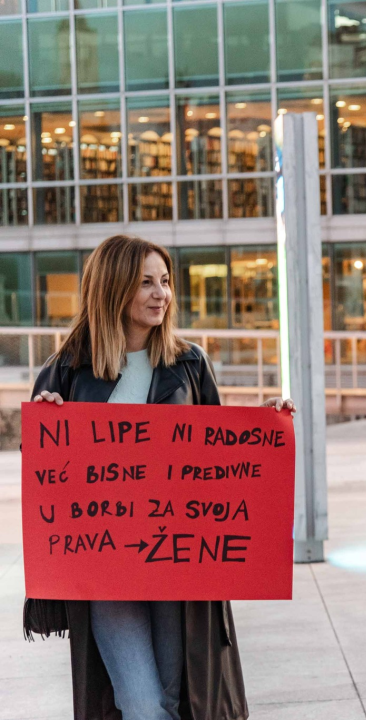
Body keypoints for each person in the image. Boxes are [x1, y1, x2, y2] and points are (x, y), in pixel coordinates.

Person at [26, 234, 294, 720]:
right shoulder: (66, 370)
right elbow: (45, 474)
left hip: (178, 566)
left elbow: (218, 455)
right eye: (145, 282)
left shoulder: (188, 363)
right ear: (113, 288)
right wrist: (43, 422)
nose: (161, 294)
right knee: (143, 704)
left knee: (177, 699)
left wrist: (267, 423)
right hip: (107, 569)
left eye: (165, 282)